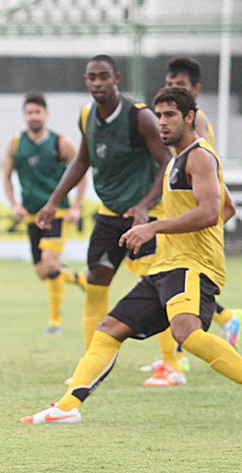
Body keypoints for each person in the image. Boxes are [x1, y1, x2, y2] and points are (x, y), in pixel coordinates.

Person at [21, 87, 242, 424]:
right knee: (109, 329)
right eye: (159, 115)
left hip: (191, 267)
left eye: (170, 115)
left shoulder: (199, 156)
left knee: (186, 333)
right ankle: (66, 407)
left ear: (190, 117)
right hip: (166, 267)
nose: (162, 122)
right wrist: (184, 234)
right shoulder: (176, 160)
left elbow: (212, 212)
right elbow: (226, 208)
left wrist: (157, 228)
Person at [35, 54, 174, 369]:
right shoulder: (87, 115)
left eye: (104, 76)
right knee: (96, 282)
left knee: (159, 285)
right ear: (86, 81)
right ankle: (93, 364)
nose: (98, 83)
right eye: (92, 77)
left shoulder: (140, 117)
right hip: (110, 214)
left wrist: (145, 204)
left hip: (145, 217)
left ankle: (171, 365)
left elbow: (167, 162)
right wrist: (54, 202)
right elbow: (82, 161)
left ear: (116, 79)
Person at [138, 57, 240, 381]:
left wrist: (195, 238)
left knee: (180, 313)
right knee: (165, 301)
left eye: (180, 86)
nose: (173, 89)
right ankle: (175, 356)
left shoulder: (197, 139)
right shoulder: (176, 144)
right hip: (179, 245)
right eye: (170, 83)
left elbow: (215, 207)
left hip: (192, 257)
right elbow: (225, 206)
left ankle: (175, 360)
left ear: (195, 91)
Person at [2, 92, 87, 335]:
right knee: (42, 272)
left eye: (38, 112)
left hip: (56, 214)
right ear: (24, 116)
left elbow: (82, 171)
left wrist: (76, 207)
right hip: (31, 215)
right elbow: (6, 175)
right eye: (30, 112)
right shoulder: (16, 143)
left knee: (50, 264)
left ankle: (54, 322)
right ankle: (81, 279)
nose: (34, 116)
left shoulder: (61, 143)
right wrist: (14, 205)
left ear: (46, 115)